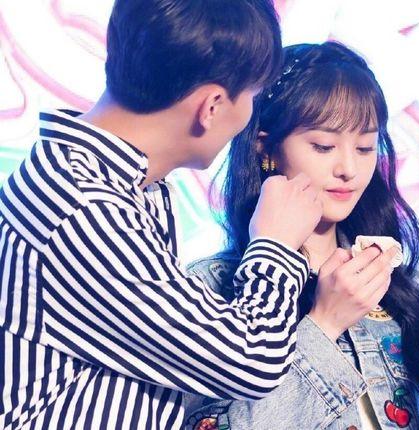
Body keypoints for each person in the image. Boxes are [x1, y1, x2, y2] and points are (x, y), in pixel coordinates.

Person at [0, 1, 324, 429]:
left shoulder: (119, 186)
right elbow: (250, 359)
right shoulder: (85, 209)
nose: (249, 115)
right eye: (251, 96)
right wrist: (276, 244)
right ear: (212, 106)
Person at [185, 41, 419, 430]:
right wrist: (324, 325)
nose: (348, 168)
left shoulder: (400, 288)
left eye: (364, 148)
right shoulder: (212, 287)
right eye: (324, 146)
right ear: (267, 147)